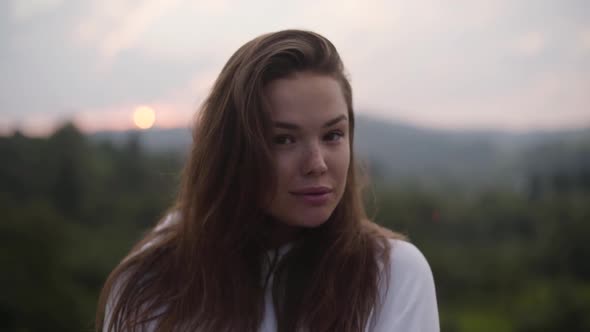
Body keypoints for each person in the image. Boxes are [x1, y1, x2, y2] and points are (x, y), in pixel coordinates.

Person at [97, 29, 439, 332]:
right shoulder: (153, 283)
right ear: (231, 151)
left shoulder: (392, 274)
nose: (316, 164)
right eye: (284, 140)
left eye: (333, 135)